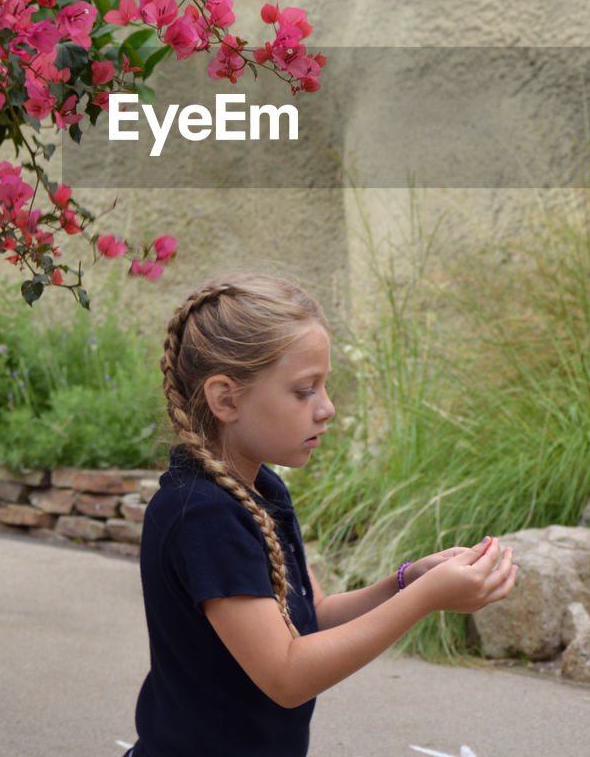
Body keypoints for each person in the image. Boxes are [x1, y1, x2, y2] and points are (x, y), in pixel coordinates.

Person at [126, 273, 518, 757]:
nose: (327, 408)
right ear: (226, 398)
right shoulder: (202, 515)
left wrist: (407, 582)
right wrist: (427, 600)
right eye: (304, 390)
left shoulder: (256, 488)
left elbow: (313, 616)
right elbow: (287, 675)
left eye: (324, 386)